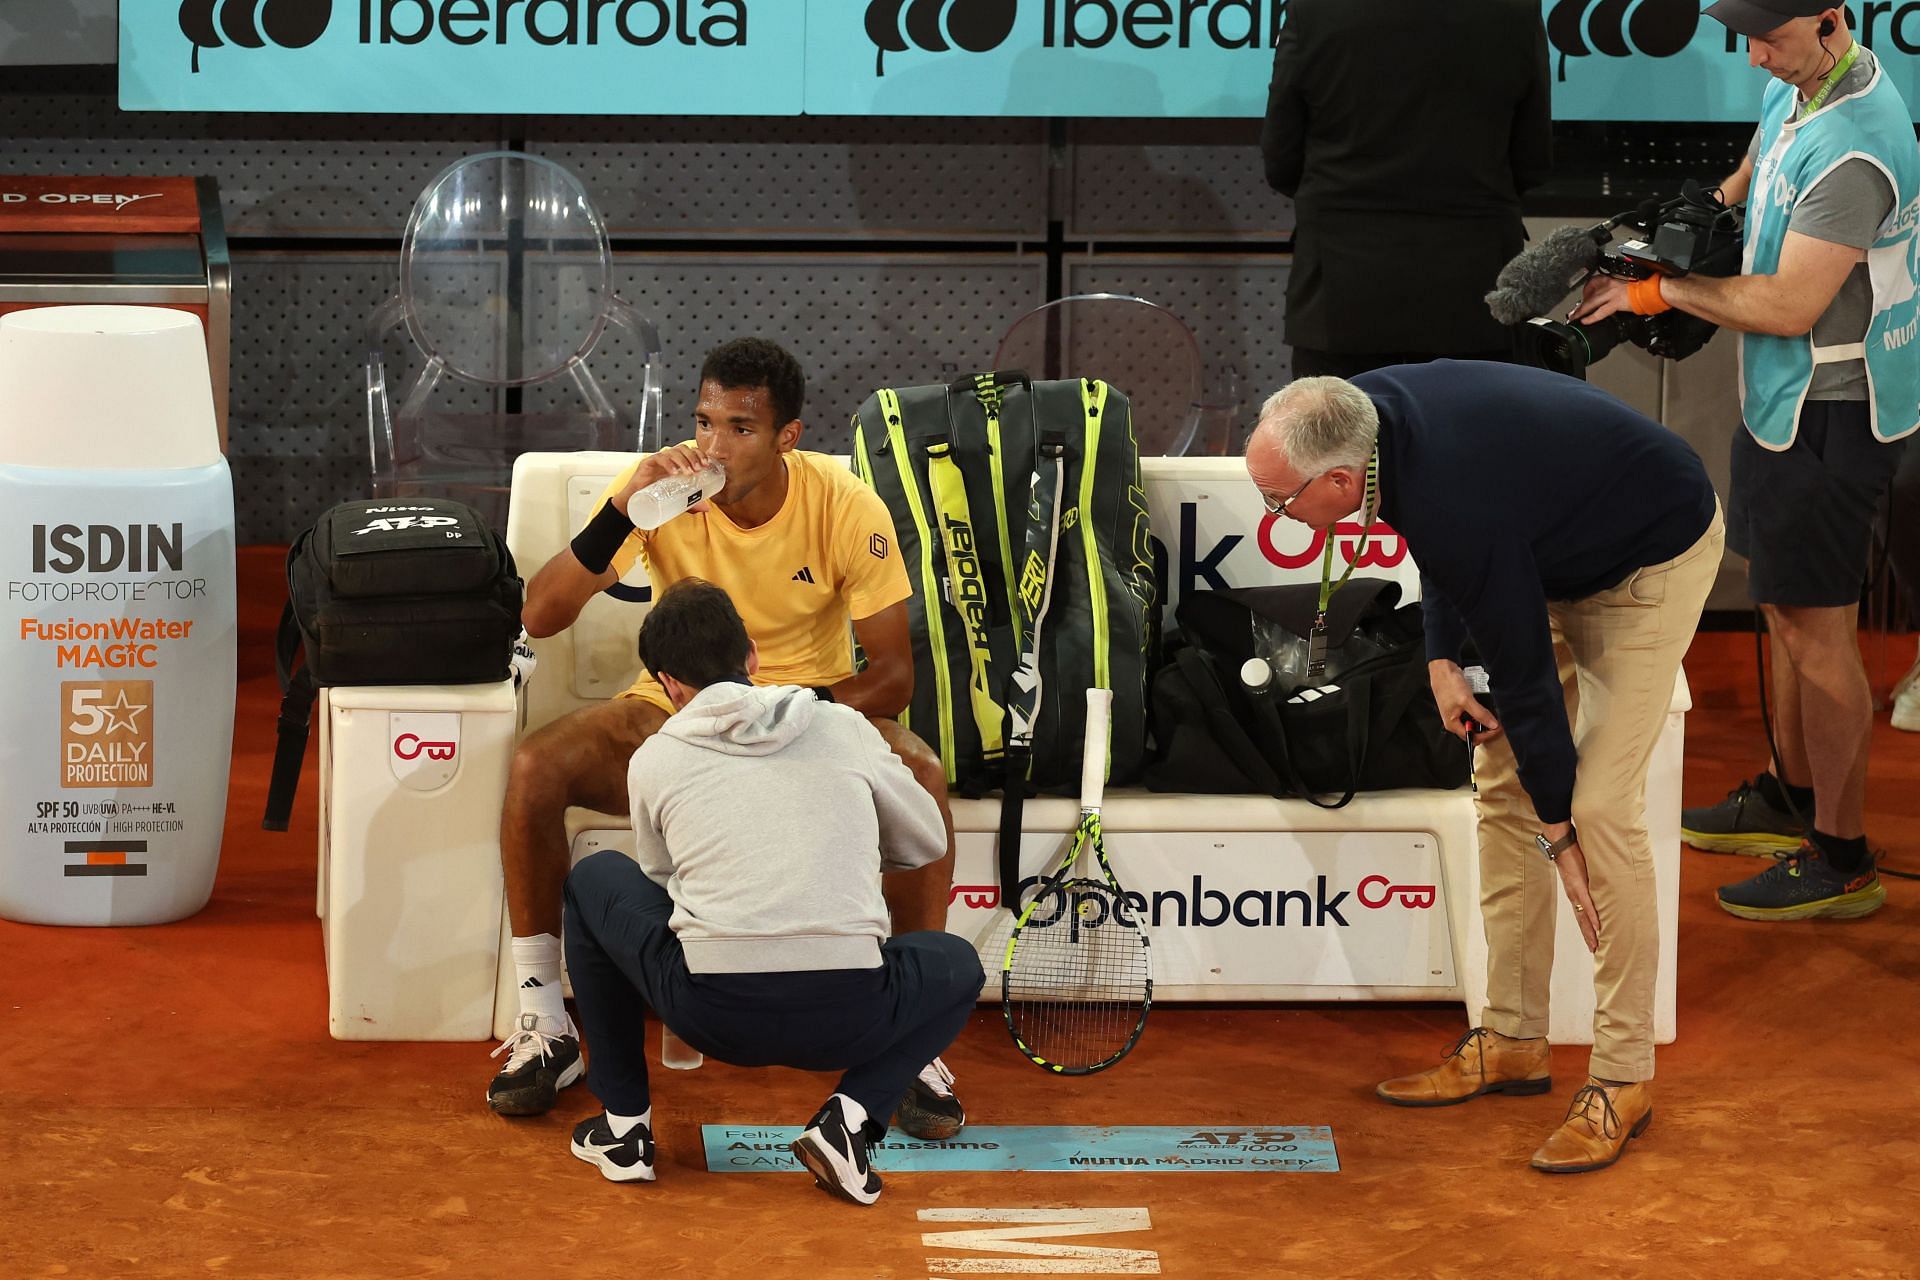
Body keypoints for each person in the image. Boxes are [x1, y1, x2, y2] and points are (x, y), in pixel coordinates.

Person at [486, 337, 968, 1141]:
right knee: (538, 764)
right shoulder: (663, 491)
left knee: (922, 772)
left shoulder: (845, 502)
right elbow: (539, 615)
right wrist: (621, 510)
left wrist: (789, 713)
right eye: (704, 421)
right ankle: (544, 1019)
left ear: (788, 438)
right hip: (677, 714)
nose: (712, 447)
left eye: (740, 429)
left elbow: (891, 680)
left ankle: (909, 1041)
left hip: (808, 715)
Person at [1246, 364, 1722, 1174]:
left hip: (1647, 562)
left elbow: (1526, 674)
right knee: (1500, 778)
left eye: (1278, 502)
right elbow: (1443, 540)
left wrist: (1564, 832)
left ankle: (1623, 1077)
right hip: (1543, 544)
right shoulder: (1361, 421)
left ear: (1335, 479)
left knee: (1601, 808)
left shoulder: (1439, 477)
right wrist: (1441, 660)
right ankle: (1513, 1039)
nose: (1273, 515)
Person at [1574, 0, 1918, 922]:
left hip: (1829, 414)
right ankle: (1788, 794)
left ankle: (1841, 853)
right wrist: (1692, 215)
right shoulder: (1805, 86)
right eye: (1749, 41)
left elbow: (1788, 307)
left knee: (1817, 629)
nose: (1759, 58)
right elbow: (1756, 167)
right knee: (1784, 604)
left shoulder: (1856, 147)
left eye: (1773, 38)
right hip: (1783, 403)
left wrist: (1655, 289)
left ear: (1832, 20)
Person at [561, 579, 984, 1203]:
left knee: (594, 878)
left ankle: (625, 1128)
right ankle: (851, 1120)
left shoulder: (654, 757)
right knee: (957, 964)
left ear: (668, 684)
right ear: (752, 655)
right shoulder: (844, 727)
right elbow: (925, 842)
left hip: (712, 1017)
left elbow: (660, 876)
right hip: (851, 1015)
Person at [1259, 0, 1551, 381]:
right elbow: (1533, 161)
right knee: (1469, 439)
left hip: (1340, 295)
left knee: (1336, 441)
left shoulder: (1313, 10)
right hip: (1475, 295)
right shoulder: (1516, 11)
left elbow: (1281, 159)